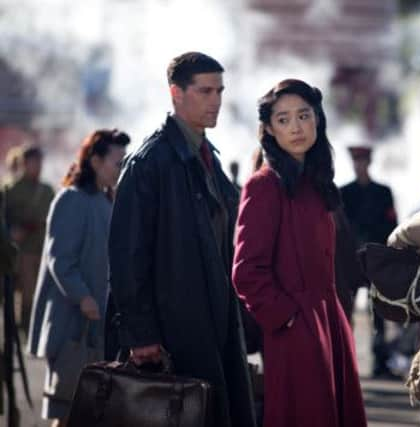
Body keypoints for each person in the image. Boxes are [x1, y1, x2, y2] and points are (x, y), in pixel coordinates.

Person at [108, 52, 255, 427]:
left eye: (220, 91)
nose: (216, 101)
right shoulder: (149, 162)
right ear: (176, 93)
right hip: (173, 330)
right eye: (205, 91)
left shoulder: (208, 157)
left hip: (215, 320)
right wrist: (141, 334)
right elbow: (128, 256)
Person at [232, 79, 367, 427]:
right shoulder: (264, 185)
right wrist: (288, 319)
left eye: (303, 116)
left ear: (317, 120)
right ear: (269, 129)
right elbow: (246, 271)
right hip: (295, 330)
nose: (295, 127)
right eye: (283, 119)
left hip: (330, 322)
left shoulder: (318, 183)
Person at [27, 129, 130, 427]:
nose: (121, 169)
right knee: (69, 412)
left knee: (89, 413)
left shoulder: (107, 202)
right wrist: (84, 297)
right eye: (117, 162)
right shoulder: (71, 200)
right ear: (96, 161)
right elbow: (61, 260)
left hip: (97, 327)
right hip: (72, 325)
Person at [340, 145, 397, 377]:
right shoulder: (344, 193)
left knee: (380, 314)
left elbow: (392, 225)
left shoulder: (383, 192)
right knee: (346, 312)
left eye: (362, 161)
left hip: (375, 258)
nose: (359, 165)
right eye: (356, 161)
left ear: (368, 162)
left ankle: (380, 360)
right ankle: (346, 361)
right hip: (351, 260)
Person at [5, 145, 54, 331]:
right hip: (23, 251)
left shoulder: (47, 190)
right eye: (34, 162)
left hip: (44, 250)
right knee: (27, 295)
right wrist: (14, 230)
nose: (38, 166)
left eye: (40, 161)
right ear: (24, 163)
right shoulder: (11, 190)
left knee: (42, 294)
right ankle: (26, 330)